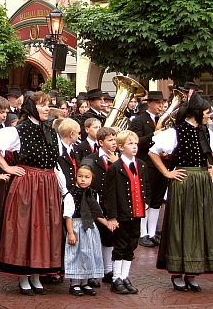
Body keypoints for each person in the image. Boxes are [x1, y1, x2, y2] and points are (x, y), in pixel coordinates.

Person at [149, 93, 213, 291]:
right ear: (197, 113)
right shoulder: (176, 132)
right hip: (183, 182)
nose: (208, 116)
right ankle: (177, 271)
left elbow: (212, 153)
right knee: (181, 224)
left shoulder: (206, 132)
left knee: (200, 224)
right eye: (207, 112)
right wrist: (167, 173)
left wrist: (211, 168)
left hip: (202, 183)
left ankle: (192, 271)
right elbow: (153, 151)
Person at [0, 92, 63, 295]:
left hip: (47, 184)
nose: (47, 109)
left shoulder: (51, 130)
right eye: (42, 105)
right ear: (32, 107)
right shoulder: (19, 131)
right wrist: (7, 167)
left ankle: (36, 275)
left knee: (44, 228)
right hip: (28, 184)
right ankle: (23, 277)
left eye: (48, 105)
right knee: (25, 228)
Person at [105, 130, 149, 295]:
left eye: (136, 144)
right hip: (122, 214)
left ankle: (125, 276)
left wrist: (147, 202)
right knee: (120, 245)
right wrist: (112, 216)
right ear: (121, 147)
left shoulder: (141, 164)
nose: (135, 147)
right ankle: (116, 277)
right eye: (130, 144)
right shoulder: (115, 168)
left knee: (131, 245)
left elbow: (146, 186)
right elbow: (110, 194)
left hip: (137, 213)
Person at [63, 164, 110, 296]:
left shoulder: (93, 193)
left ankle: (85, 282)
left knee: (89, 254)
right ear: (76, 177)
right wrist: (71, 233)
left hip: (89, 227)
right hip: (77, 226)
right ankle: (75, 283)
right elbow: (68, 216)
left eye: (86, 177)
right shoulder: (71, 195)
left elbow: (96, 213)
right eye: (80, 176)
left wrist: (107, 223)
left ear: (91, 178)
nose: (83, 179)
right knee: (76, 254)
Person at [129, 91, 166, 248]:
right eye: (158, 103)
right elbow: (137, 142)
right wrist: (154, 134)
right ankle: (142, 233)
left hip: (162, 164)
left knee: (157, 200)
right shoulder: (139, 120)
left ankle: (152, 232)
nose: (161, 106)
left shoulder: (163, 120)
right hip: (146, 164)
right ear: (150, 103)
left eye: (162, 103)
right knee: (146, 199)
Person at [83, 126, 118, 284]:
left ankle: (108, 269)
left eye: (115, 139)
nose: (114, 143)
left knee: (109, 237)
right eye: (110, 140)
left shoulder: (119, 159)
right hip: (93, 202)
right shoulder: (91, 158)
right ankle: (91, 272)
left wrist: (117, 164)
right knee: (92, 237)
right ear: (101, 142)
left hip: (111, 202)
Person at [56, 118, 82, 192]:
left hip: (75, 190)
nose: (79, 136)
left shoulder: (75, 148)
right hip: (61, 191)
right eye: (78, 133)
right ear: (71, 134)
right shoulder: (57, 150)